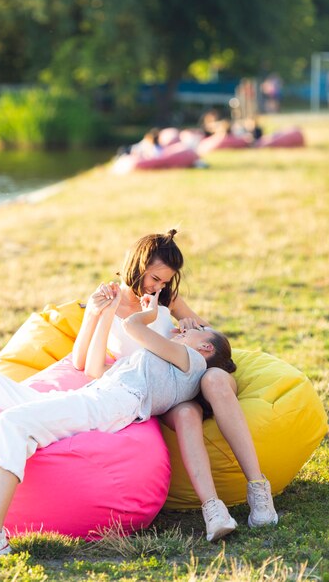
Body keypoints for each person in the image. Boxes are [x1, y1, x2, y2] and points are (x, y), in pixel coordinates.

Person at [0, 283, 234, 564]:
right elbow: (95, 367)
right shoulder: (176, 357)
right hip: (92, 394)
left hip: (109, 404)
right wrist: (102, 314)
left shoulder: (191, 362)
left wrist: (150, 315)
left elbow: (136, 329)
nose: (183, 327)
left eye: (193, 330)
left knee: (12, 424)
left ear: (205, 348)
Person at [73, 230, 278, 542]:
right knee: (185, 415)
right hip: (159, 391)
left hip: (190, 373)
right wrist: (101, 311)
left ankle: (258, 488)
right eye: (155, 278)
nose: (159, 287)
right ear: (137, 265)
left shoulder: (166, 299)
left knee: (215, 378)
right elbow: (81, 361)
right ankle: (213, 509)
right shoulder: (106, 301)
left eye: (165, 281)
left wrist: (192, 327)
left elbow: (212, 340)